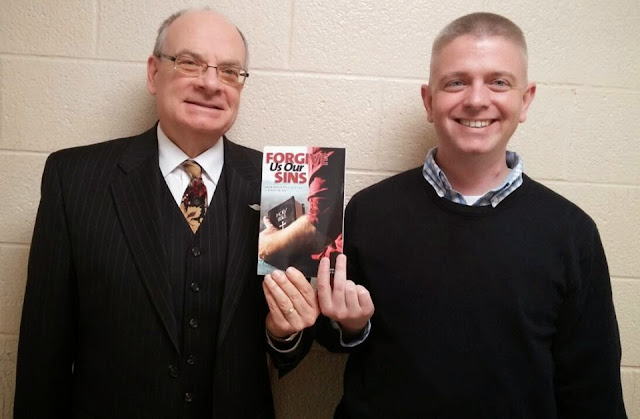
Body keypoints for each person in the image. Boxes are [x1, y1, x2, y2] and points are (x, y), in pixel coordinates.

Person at [315, 12, 627, 418]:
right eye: (456, 82)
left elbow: (594, 388)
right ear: (429, 101)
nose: (477, 99)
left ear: (525, 100)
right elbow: (329, 335)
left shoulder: (572, 233)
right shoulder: (368, 211)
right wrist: (350, 327)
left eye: (499, 82)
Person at [14, 8, 315, 418]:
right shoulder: (73, 179)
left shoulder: (283, 187)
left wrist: (284, 334)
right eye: (189, 63)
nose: (211, 83)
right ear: (154, 73)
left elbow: (291, 347)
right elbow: (43, 348)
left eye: (230, 72)